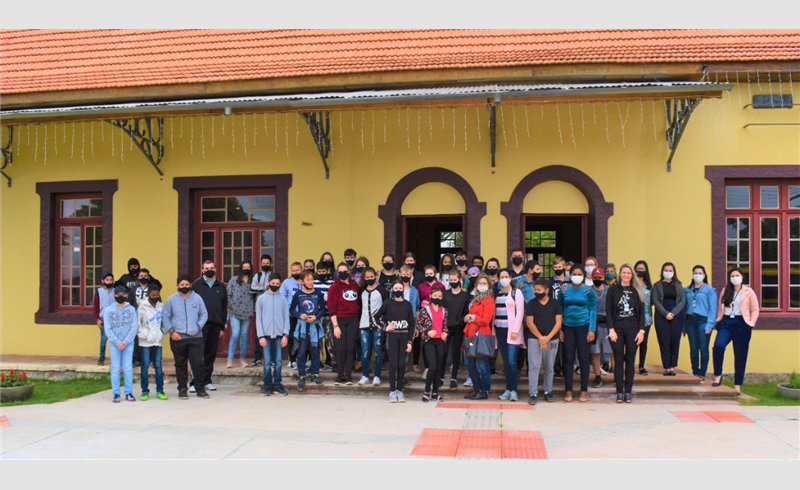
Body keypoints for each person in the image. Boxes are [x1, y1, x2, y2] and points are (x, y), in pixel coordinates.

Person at [712, 268, 759, 395]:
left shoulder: (749, 291)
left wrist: (750, 323)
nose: (735, 278)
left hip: (742, 323)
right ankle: (718, 375)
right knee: (718, 346)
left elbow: (755, 309)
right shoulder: (725, 290)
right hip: (726, 322)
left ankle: (737, 384)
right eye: (732, 276)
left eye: (737, 275)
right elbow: (719, 308)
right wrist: (719, 320)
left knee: (740, 354)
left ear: (742, 277)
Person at [163, 274, 209, 399]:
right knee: (180, 364)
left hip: (196, 337)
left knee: (197, 364)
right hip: (178, 337)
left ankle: (200, 388)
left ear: (190, 285)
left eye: (187, 284)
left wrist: (198, 327)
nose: (184, 287)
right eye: (182, 284)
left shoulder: (197, 298)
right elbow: (165, 316)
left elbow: (204, 314)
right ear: (177, 285)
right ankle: (182, 389)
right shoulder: (171, 300)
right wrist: (172, 332)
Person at [606, 264, 646, 403]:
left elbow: (642, 314)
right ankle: (619, 391)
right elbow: (609, 312)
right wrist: (611, 329)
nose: (626, 275)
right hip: (617, 328)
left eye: (628, 273)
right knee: (618, 360)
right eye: (624, 273)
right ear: (620, 274)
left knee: (630, 360)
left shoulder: (637, 291)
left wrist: (641, 331)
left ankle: (628, 391)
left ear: (632, 275)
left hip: (633, 328)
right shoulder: (612, 290)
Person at [557, 264, 597, 402]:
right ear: (570, 275)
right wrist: (560, 328)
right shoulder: (564, 289)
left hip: (584, 326)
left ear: (584, 276)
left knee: (584, 358)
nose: (577, 276)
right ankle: (568, 390)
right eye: (574, 274)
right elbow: (559, 308)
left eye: (580, 274)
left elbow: (593, 310)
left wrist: (592, 329)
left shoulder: (588, 290)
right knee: (567, 358)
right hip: (567, 327)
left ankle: (583, 390)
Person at [191, 260, 228, 392]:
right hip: (200, 326)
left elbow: (225, 308)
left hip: (215, 326)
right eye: (206, 268)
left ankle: (207, 381)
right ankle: (194, 382)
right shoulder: (196, 285)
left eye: (211, 268)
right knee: (197, 355)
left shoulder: (221, 286)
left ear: (216, 269)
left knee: (210, 355)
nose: (209, 270)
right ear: (202, 270)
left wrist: (223, 326)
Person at [525, 278, 563, 404]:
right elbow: (530, 322)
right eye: (535, 290)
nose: (537, 292)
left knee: (549, 366)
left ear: (547, 290)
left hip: (552, 340)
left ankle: (548, 391)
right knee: (534, 366)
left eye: (539, 290)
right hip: (534, 339)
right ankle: (533, 393)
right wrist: (541, 338)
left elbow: (558, 323)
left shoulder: (555, 304)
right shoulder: (531, 303)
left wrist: (547, 338)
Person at [378, 279, 415, 403]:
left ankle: (400, 390)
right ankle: (392, 391)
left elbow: (411, 324)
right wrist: (384, 327)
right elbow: (377, 317)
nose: (398, 291)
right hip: (392, 337)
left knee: (402, 365)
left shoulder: (407, 304)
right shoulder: (387, 303)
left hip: (404, 338)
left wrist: (410, 342)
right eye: (396, 288)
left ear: (403, 290)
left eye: (400, 289)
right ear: (392, 290)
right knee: (393, 364)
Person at [290, 271, 326, 390]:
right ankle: (302, 375)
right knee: (301, 351)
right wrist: (300, 315)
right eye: (307, 279)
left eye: (312, 279)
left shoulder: (318, 293)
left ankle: (315, 374)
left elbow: (323, 309)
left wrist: (316, 316)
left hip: (314, 325)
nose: (310, 282)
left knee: (315, 350)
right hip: (302, 327)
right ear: (302, 281)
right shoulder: (298, 294)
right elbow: (292, 309)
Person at [255, 273, 290, 396]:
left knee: (279, 362)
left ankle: (278, 385)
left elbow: (286, 317)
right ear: (268, 283)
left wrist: (286, 334)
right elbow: (258, 319)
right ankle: (267, 385)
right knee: (267, 362)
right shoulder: (261, 299)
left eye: (277, 284)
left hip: (279, 335)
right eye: (273, 283)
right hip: (266, 336)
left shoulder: (283, 299)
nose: (275, 286)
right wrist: (261, 336)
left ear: (280, 284)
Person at [463, 274, 496, 400]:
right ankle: (476, 388)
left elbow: (486, 320)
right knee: (469, 363)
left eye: (484, 283)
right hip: (470, 334)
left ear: (488, 286)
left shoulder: (489, 300)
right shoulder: (474, 299)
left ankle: (484, 390)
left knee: (483, 365)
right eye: (480, 284)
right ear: (476, 286)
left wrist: (473, 318)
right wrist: (467, 317)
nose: (482, 286)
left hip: (482, 334)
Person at [495, 269, 526, 402]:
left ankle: (513, 390)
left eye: (506, 276)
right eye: (501, 277)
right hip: (500, 331)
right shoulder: (497, 293)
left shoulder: (516, 292)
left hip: (512, 332)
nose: (504, 278)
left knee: (512, 362)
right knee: (506, 363)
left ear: (510, 278)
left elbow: (520, 313)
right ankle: (508, 389)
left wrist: (515, 330)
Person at [104, 285, 138, 403]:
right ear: (114, 296)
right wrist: (118, 342)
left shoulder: (131, 309)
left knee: (128, 367)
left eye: (123, 295)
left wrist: (125, 341)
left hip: (128, 344)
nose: (120, 296)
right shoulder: (108, 310)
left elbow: (134, 327)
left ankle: (128, 392)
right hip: (114, 344)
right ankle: (116, 393)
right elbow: (107, 329)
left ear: (127, 296)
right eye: (118, 294)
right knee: (115, 368)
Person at [328, 262, 361, 385]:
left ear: (349, 272)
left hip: (353, 319)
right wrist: (335, 326)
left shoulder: (354, 286)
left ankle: (348, 375)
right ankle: (340, 375)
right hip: (339, 320)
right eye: (340, 271)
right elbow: (331, 308)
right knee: (341, 348)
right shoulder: (334, 287)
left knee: (350, 348)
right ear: (337, 272)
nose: (342, 273)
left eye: (345, 271)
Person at [652, 262, 686, 376]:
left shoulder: (678, 285)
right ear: (662, 271)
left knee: (675, 340)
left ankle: (672, 366)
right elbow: (655, 301)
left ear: (674, 272)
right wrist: (666, 313)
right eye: (666, 270)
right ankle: (666, 366)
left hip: (676, 315)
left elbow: (682, 301)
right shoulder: (657, 285)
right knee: (664, 340)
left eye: (670, 271)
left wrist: (673, 313)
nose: (668, 272)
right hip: (662, 315)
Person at [684, 265, 718, 381]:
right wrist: (684, 326)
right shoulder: (687, 290)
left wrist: (710, 325)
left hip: (703, 320)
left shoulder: (709, 290)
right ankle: (695, 371)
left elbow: (713, 309)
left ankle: (702, 373)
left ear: (704, 275)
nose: (697, 275)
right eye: (695, 273)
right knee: (693, 348)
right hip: (690, 321)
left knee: (703, 348)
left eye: (700, 273)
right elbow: (684, 307)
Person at [417, 286, 449, 402]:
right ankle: (426, 392)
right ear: (430, 296)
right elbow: (418, 325)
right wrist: (427, 331)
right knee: (433, 366)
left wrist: (445, 333)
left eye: (439, 296)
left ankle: (435, 392)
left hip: (440, 341)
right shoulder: (425, 310)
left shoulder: (444, 310)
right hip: (429, 341)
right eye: (435, 296)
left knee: (439, 367)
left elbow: (445, 326)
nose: (437, 298)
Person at [357, 267, 388, 386]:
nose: (370, 279)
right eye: (367, 277)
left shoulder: (382, 291)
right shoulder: (362, 291)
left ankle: (377, 376)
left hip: (377, 325)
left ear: (375, 276)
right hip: (364, 324)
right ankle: (365, 375)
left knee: (378, 351)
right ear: (364, 278)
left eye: (372, 277)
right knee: (365, 351)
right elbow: (360, 307)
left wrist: (382, 322)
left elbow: (386, 308)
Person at [137, 283, 167, 401]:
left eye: (157, 294)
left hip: (158, 341)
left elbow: (165, 322)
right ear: (148, 295)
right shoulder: (142, 306)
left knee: (158, 365)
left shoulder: (161, 306)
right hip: (145, 341)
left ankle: (160, 390)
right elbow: (138, 324)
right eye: (153, 295)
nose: (155, 296)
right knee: (145, 365)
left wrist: (161, 332)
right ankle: (145, 391)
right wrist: (147, 335)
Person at [443, 269, 470, 390]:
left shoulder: (465, 295)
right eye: (451, 280)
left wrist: (460, 321)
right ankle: (440, 377)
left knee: (456, 352)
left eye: (455, 280)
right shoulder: (445, 294)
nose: (453, 282)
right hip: (446, 328)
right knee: (443, 352)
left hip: (459, 328)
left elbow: (466, 311)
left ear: (460, 280)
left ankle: (454, 377)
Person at [227, 261, 255, 368]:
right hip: (235, 312)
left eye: (248, 267)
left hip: (247, 313)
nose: (246, 269)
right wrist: (232, 306)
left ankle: (242, 359)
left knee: (244, 336)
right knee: (235, 334)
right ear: (240, 268)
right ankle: (230, 359)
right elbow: (228, 294)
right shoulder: (234, 280)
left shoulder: (253, 281)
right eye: (244, 267)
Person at [118, 257, 142, 366]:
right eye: (131, 267)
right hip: (126, 308)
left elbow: (157, 285)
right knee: (127, 334)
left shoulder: (142, 276)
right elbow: (115, 286)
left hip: (140, 309)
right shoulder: (124, 278)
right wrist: (123, 294)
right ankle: (128, 358)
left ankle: (137, 358)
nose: (133, 269)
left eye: (135, 266)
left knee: (137, 336)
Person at [249, 254, 273, 366]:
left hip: (272, 308)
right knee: (258, 333)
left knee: (271, 333)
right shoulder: (257, 275)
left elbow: (275, 288)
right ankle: (258, 357)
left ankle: (271, 358)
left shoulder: (274, 275)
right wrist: (264, 288)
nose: (265, 265)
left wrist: (261, 288)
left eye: (267, 263)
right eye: (263, 264)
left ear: (271, 264)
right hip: (259, 308)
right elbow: (252, 288)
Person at [589, 267, 611, 388]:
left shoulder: (609, 290)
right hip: (594, 324)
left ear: (603, 278)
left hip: (608, 324)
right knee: (595, 351)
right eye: (595, 278)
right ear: (592, 278)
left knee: (612, 350)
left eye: (600, 277)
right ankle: (598, 377)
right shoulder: (589, 290)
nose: (598, 279)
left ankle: (615, 377)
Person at [280, 262, 303, 369]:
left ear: (301, 270)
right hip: (291, 314)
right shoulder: (286, 283)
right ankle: (292, 359)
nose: (295, 272)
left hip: (303, 315)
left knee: (302, 337)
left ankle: (301, 359)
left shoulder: (305, 281)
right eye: (293, 271)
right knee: (291, 337)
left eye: (297, 270)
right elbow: (282, 298)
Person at [314, 261, 336, 370]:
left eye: (323, 271)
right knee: (317, 339)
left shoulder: (332, 283)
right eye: (319, 271)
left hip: (329, 315)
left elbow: (331, 299)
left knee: (330, 339)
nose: (321, 273)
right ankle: (317, 361)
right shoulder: (314, 283)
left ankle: (332, 361)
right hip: (317, 316)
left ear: (327, 271)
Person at [549, 256, 568, 378]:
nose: (558, 269)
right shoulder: (550, 282)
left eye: (560, 267)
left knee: (566, 343)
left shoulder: (570, 281)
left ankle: (566, 367)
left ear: (564, 266)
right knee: (555, 343)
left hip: (568, 314)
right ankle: (556, 369)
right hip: (554, 314)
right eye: (555, 267)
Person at [634, 260, 654, 375]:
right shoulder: (632, 285)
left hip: (647, 317)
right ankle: (631, 363)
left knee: (643, 342)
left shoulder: (649, 287)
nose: (640, 271)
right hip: (634, 318)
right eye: (638, 269)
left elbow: (652, 301)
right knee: (633, 342)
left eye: (642, 269)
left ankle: (641, 365)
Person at [92, 271, 115, 366]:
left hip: (114, 319)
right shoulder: (99, 291)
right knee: (103, 339)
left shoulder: (115, 291)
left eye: (111, 280)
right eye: (107, 280)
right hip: (104, 319)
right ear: (103, 280)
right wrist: (97, 319)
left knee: (114, 339)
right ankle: (101, 357)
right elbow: (96, 306)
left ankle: (115, 358)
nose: (109, 282)